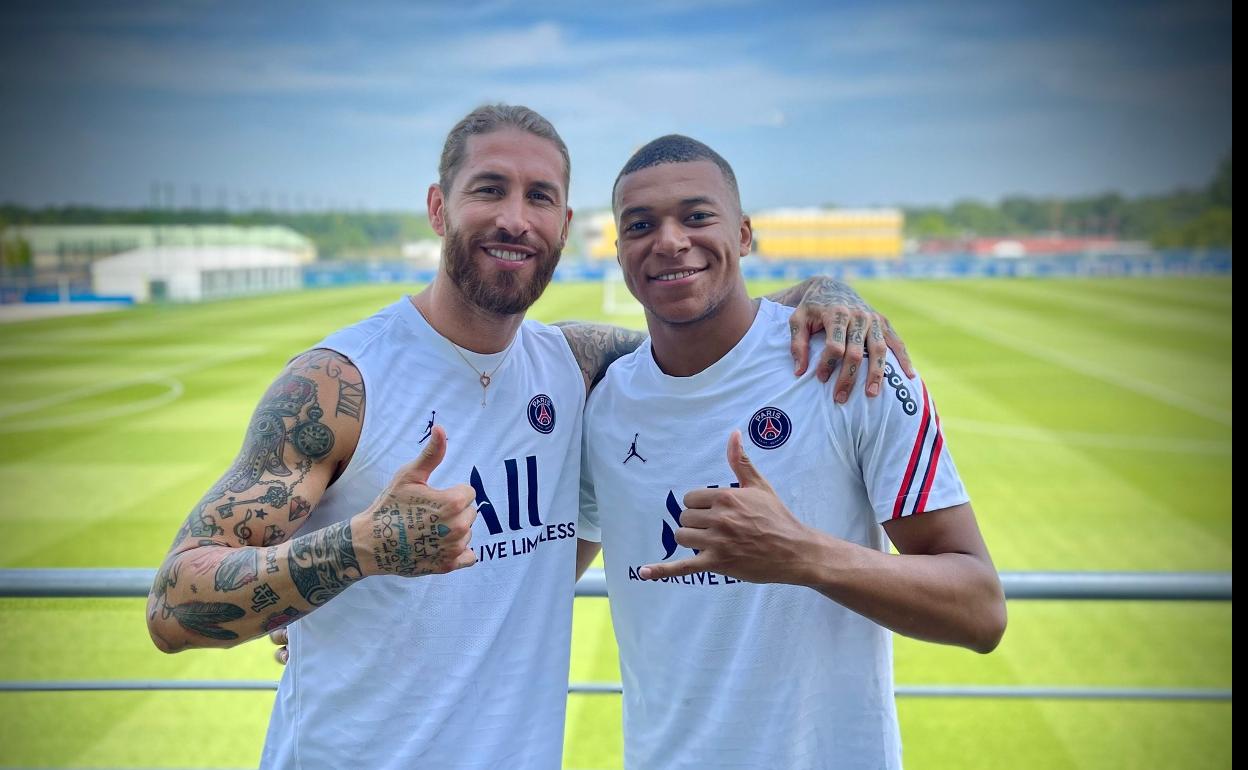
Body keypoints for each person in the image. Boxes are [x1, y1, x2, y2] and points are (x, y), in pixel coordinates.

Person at [145, 105, 905, 769]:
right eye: (489, 189)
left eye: (539, 196)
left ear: (564, 227)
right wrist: (356, 551)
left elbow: (713, 326)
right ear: (439, 208)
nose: (515, 218)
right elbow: (172, 607)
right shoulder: (339, 384)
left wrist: (826, 293)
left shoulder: (576, 367)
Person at [578, 135, 1007, 769]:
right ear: (618, 251)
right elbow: (534, 574)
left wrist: (801, 555)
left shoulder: (852, 364)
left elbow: (980, 609)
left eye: (697, 216)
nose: (669, 241)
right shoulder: (602, 405)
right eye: (640, 225)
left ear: (744, 234)